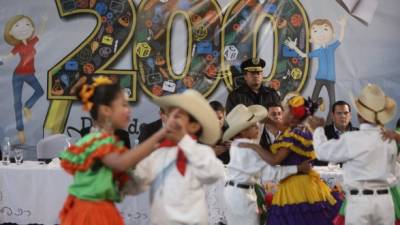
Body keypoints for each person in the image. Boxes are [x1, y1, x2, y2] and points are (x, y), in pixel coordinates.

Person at [58, 76, 169, 225]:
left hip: (100, 210)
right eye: (123, 105)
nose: (129, 110)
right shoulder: (97, 141)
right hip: (92, 215)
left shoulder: (106, 142)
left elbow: (126, 184)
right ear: (106, 110)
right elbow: (121, 163)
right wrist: (161, 135)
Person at [129, 90, 225, 225]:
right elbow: (135, 183)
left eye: (179, 116)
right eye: (171, 115)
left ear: (194, 126)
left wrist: (183, 140)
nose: (173, 121)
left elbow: (214, 173)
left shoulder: (201, 152)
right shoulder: (158, 154)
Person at [242, 94, 339, 225]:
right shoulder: (297, 131)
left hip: (296, 187)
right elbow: (281, 126)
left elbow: (274, 160)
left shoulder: (293, 135)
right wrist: (267, 120)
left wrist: (255, 147)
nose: (283, 113)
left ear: (293, 116)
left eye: (286, 110)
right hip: (306, 185)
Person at [311, 84, 398, 225]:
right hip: (385, 202)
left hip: (360, 202)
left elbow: (321, 152)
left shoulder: (353, 138)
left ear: (358, 115)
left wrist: (317, 131)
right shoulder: (389, 140)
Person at [222, 104, 311, 225]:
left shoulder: (237, 144)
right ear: (243, 131)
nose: (258, 127)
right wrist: (299, 168)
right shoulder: (249, 149)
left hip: (236, 192)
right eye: (253, 126)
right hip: (241, 197)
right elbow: (271, 172)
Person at [285, 17, 347, 123]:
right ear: (311, 39)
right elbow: (304, 55)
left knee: (333, 103)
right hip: (319, 78)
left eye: (325, 29)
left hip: (330, 79)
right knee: (312, 102)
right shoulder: (318, 52)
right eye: (315, 31)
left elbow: (340, 39)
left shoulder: (331, 47)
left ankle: (328, 124)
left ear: (332, 35)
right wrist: (294, 47)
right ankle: (311, 119)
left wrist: (342, 26)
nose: (320, 34)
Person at [1, 15, 47, 144]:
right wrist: (1, 60)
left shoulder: (32, 42)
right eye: (17, 26)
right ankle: (20, 131)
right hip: (18, 75)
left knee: (40, 91)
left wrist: (43, 21)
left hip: (29, 74)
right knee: (17, 102)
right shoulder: (18, 47)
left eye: (27, 25)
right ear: (10, 32)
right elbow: (7, 57)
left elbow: (41, 34)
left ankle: (28, 106)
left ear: (32, 27)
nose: (23, 29)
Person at [315, 100, 358, 165]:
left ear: (350, 116)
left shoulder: (358, 134)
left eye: (346, 113)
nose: (343, 116)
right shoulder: (322, 133)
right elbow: (317, 158)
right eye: (339, 113)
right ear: (332, 116)